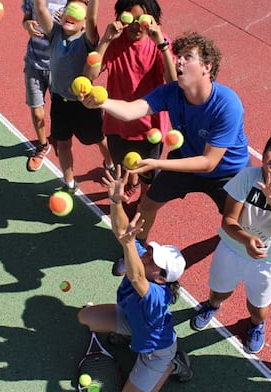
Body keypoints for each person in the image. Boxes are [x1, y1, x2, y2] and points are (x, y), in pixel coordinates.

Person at [83, 31, 249, 248]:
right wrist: (101, 103)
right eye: (178, 56)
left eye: (187, 57)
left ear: (207, 67)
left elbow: (209, 163)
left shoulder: (227, 104)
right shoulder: (171, 92)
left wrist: (156, 163)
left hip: (228, 173)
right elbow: (132, 110)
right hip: (186, 159)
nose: (178, 60)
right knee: (147, 204)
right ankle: (137, 249)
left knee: (239, 223)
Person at [191, 128, 271, 354]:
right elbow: (229, 221)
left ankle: (256, 325)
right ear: (264, 154)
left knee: (258, 307)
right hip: (232, 249)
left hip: (266, 261)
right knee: (218, 292)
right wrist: (246, 240)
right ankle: (212, 306)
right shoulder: (246, 177)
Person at [78, 167, 193, 391]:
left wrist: (129, 244)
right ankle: (127, 334)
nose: (146, 255)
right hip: (132, 319)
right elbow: (121, 232)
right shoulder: (141, 259)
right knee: (86, 317)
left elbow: (137, 277)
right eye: (150, 251)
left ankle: (174, 364)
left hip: (155, 353)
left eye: (153, 259)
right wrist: (116, 201)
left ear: (161, 278)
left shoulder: (158, 296)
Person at [20, 0, 114, 194]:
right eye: (68, 11)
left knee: (96, 138)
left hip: (84, 103)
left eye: (77, 13)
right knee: (62, 143)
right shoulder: (55, 35)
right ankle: (69, 182)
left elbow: (93, 19)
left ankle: (110, 161)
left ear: (83, 22)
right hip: (60, 101)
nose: (71, 16)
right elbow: (40, 11)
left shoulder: (87, 40)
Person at [84, 0, 176, 202]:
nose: (135, 25)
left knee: (148, 175)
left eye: (141, 20)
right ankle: (130, 184)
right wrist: (105, 40)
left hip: (150, 126)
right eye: (130, 19)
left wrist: (161, 44)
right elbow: (89, 76)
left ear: (152, 21)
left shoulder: (160, 45)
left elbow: (173, 84)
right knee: (123, 168)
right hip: (118, 124)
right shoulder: (114, 43)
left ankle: (142, 202)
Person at [21, 0, 77, 172]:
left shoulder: (71, 2)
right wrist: (27, 25)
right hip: (34, 61)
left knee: (60, 111)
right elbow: (26, 18)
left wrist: (65, 26)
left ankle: (58, 138)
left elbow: (76, 36)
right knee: (36, 111)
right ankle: (42, 144)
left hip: (58, 67)